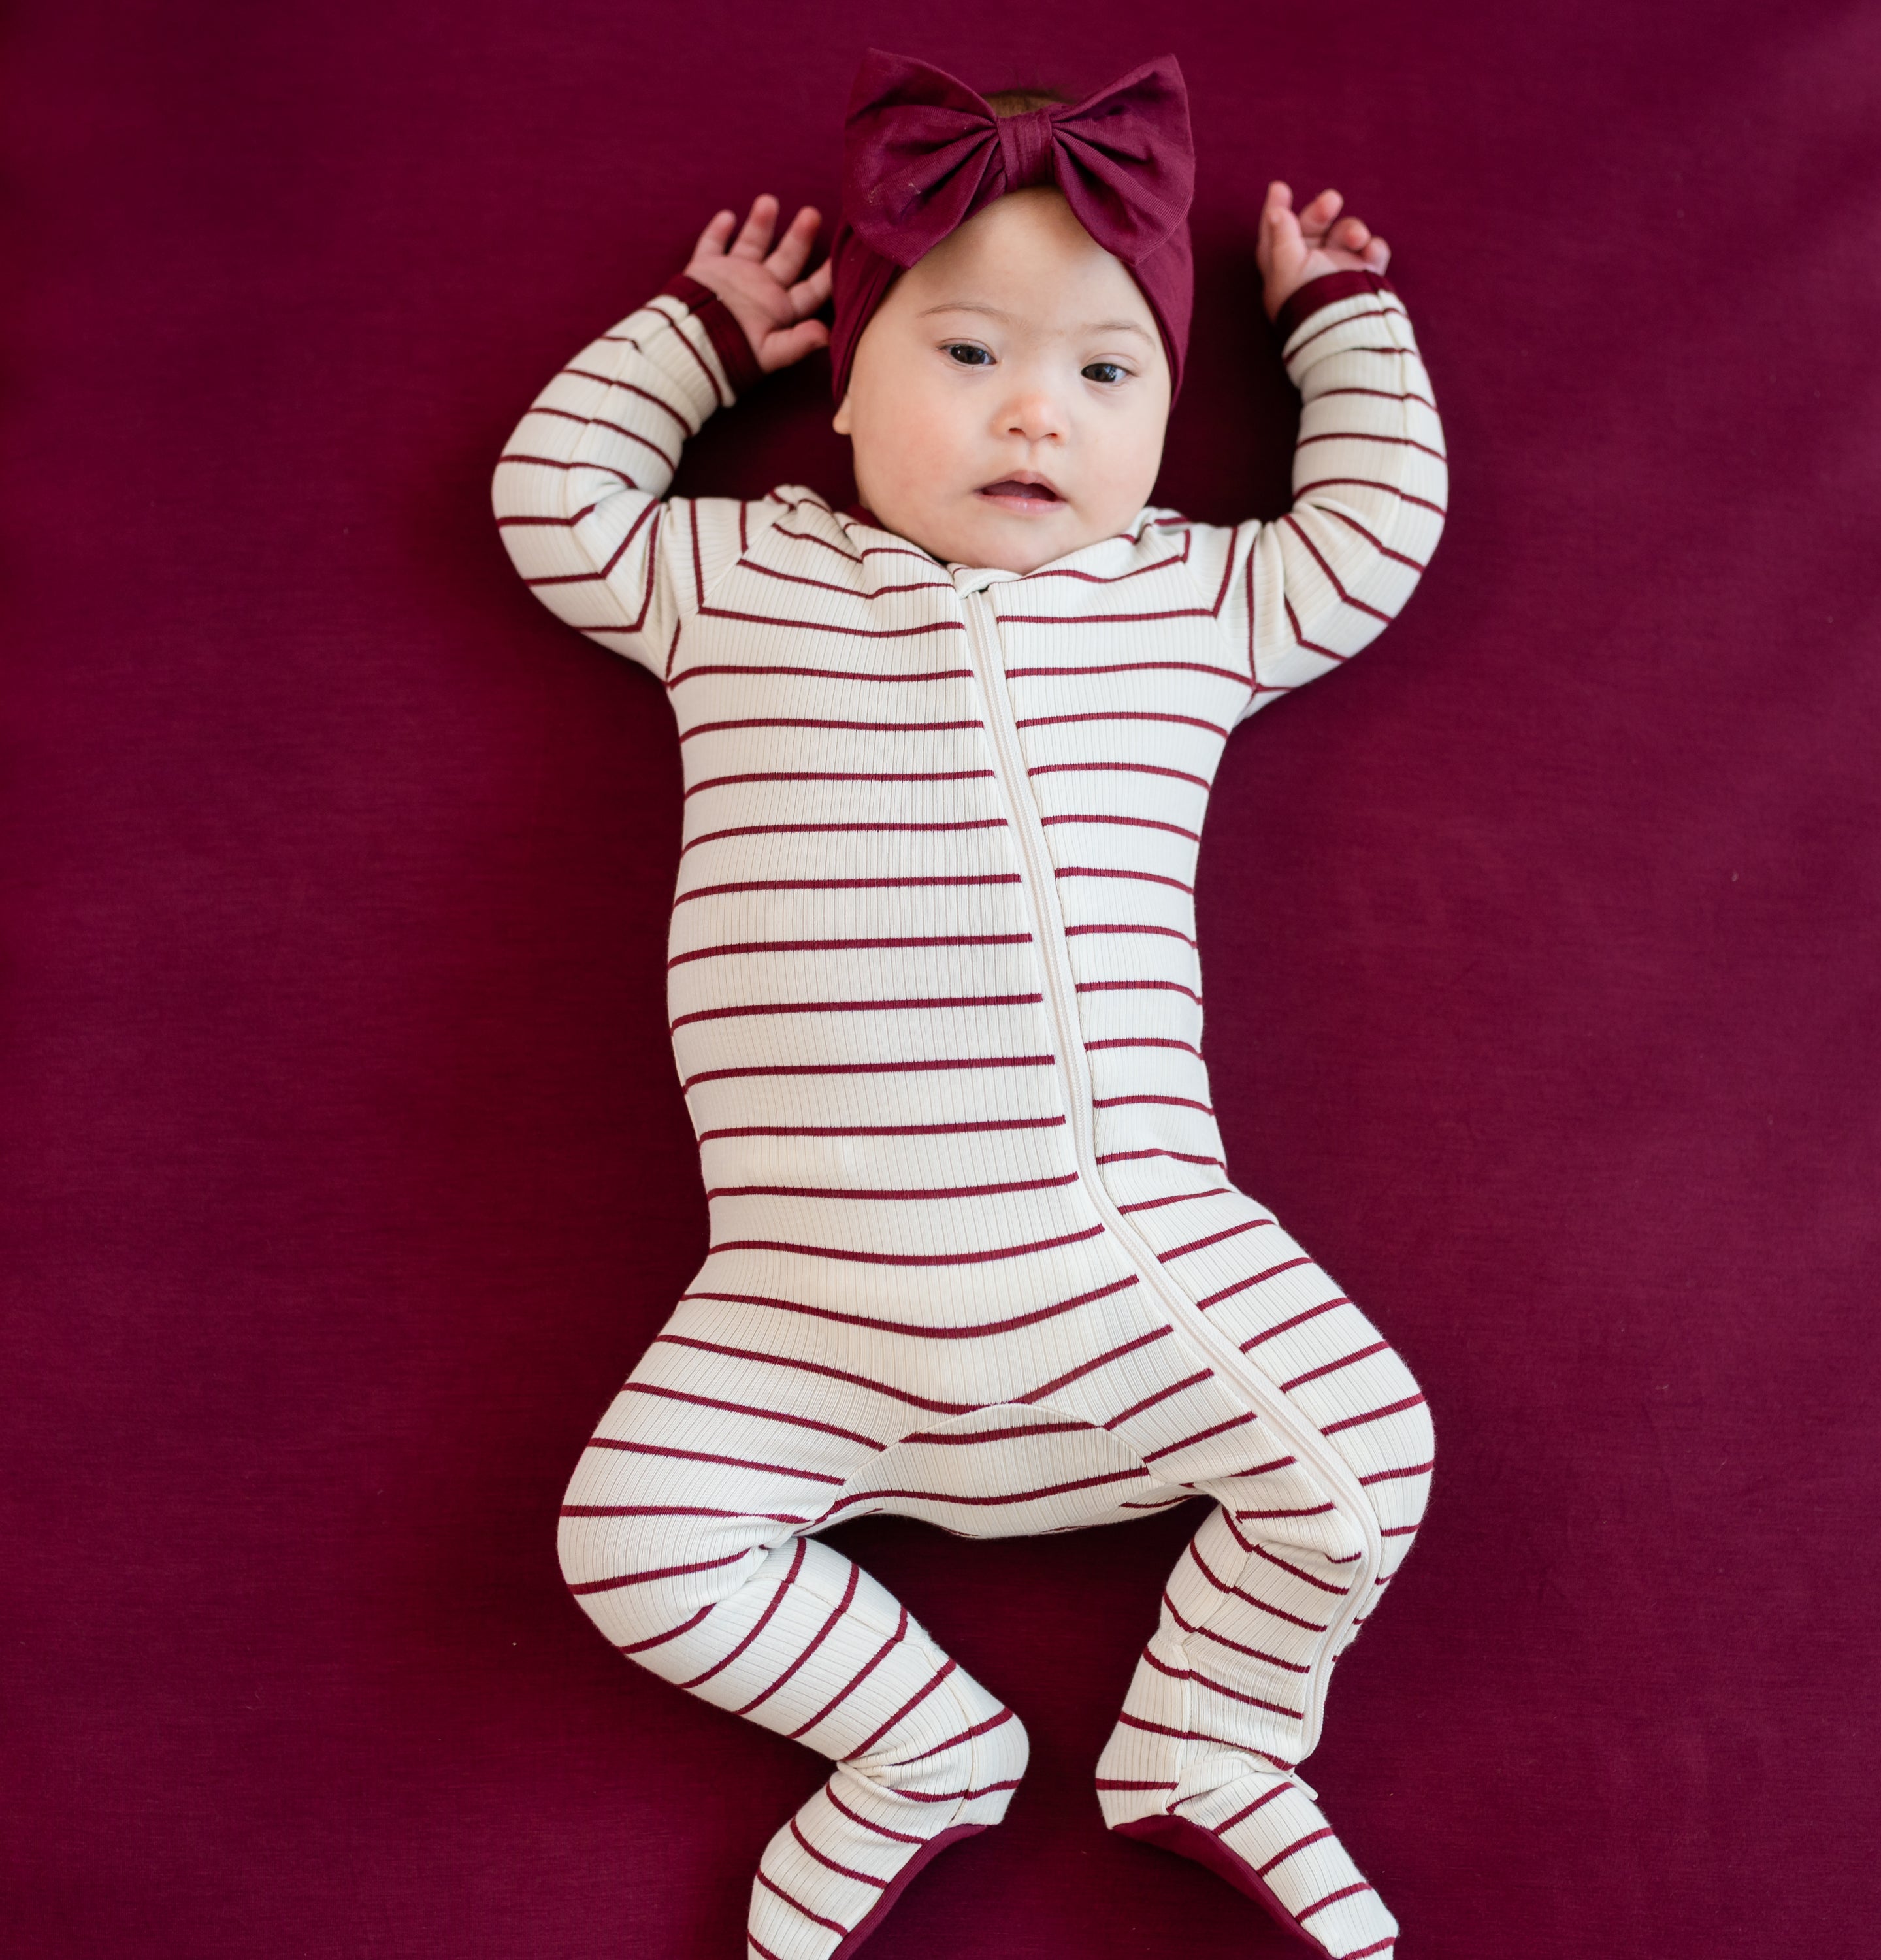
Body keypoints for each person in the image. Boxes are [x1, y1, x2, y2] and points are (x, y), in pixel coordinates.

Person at [495, 48, 1445, 1960]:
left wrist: (1344, 333)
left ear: (1168, 426)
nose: (1037, 412)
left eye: (1107, 375)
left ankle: (1216, 1740)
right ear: (840, 392)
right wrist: (694, 340)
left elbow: (1368, 543)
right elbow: (554, 506)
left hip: (1134, 1253)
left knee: (1373, 1458)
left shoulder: (1186, 599)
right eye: (965, 356)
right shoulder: (740, 576)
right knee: (630, 1546)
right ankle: (918, 1745)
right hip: (794, 1301)